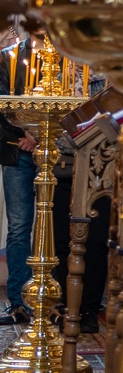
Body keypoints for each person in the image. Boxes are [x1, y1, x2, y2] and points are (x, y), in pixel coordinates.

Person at [0, 38, 36, 326]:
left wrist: (43, 135)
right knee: (19, 228)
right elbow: (3, 104)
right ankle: (19, 302)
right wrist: (27, 134)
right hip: (17, 150)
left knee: (59, 228)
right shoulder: (7, 57)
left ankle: (52, 299)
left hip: (59, 152)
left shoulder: (66, 57)